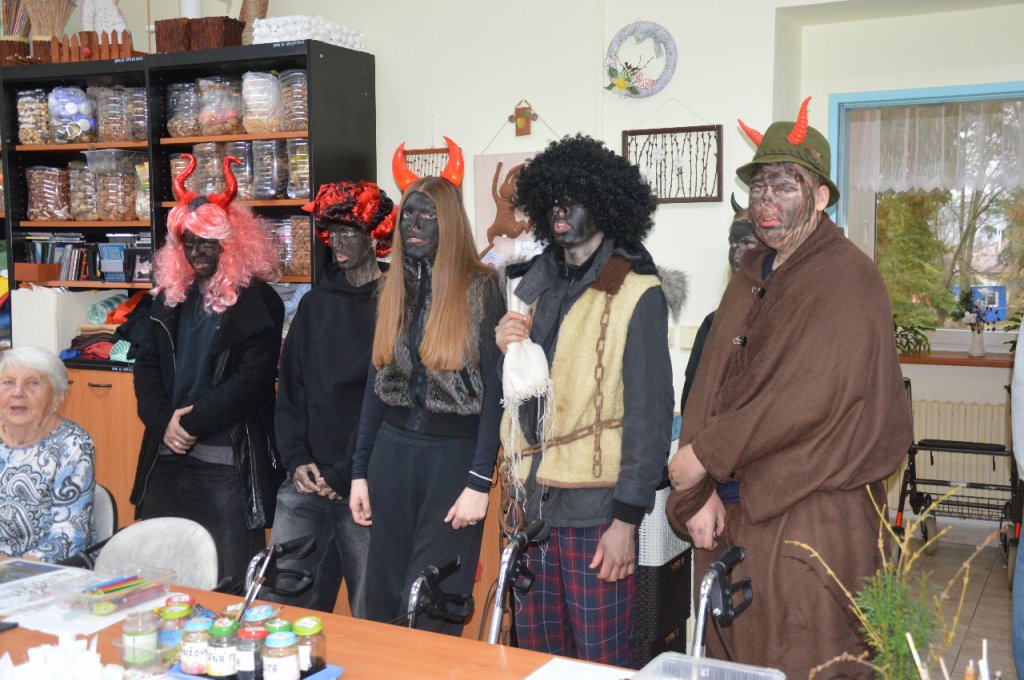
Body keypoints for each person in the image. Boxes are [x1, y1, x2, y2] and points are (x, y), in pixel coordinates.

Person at [666, 98, 913, 679]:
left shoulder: (849, 278)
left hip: (810, 525)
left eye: (784, 186)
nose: (766, 202)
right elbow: (709, 383)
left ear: (821, 197)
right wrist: (695, 493)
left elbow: (808, 396)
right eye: (759, 188)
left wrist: (702, 456)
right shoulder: (751, 273)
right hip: (730, 516)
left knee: (804, 661)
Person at [496, 134, 680, 668]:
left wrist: (626, 522)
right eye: (554, 200)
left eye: (575, 199)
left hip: (597, 513)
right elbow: (522, 391)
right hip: (532, 506)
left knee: (600, 664)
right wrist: (503, 346)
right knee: (537, 660)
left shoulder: (635, 289)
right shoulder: (530, 287)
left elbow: (649, 417)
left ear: (605, 205)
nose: (561, 211)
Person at [349, 138, 504, 635]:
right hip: (391, 457)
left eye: (427, 216)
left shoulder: (481, 289)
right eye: (408, 216)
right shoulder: (391, 287)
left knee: (434, 601)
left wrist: (479, 482)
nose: (413, 225)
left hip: (451, 462)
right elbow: (376, 384)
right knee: (383, 599)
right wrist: (358, 472)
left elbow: (496, 395)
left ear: (450, 224)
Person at [131, 155, 285, 586]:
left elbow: (252, 382)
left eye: (208, 243)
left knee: (228, 580)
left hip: (226, 460)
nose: (197, 252)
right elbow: (146, 367)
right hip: (165, 452)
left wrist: (189, 424)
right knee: (160, 574)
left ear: (231, 244)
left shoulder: (260, 302)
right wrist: (164, 421)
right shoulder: (169, 297)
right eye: (189, 242)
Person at [266, 180, 395, 615]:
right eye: (331, 233)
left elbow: (388, 400)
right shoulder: (314, 305)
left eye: (348, 232)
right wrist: (295, 458)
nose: (337, 243)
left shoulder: (395, 305)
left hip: (364, 485)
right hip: (305, 481)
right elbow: (291, 388)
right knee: (281, 604)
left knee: (371, 612)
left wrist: (345, 473)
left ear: (373, 236)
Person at [0, 346, 95, 563]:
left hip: (43, 571)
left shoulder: (72, 444)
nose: (17, 393)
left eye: (33, 383)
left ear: (58, 398)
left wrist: (13, 567)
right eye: (8, 382)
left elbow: (69, 536)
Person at [678, 196, 759, 416]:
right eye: (733, 244)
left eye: (748, 243)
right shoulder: (713, 324)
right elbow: (692, 397)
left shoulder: (788, 317)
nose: (737, 254)